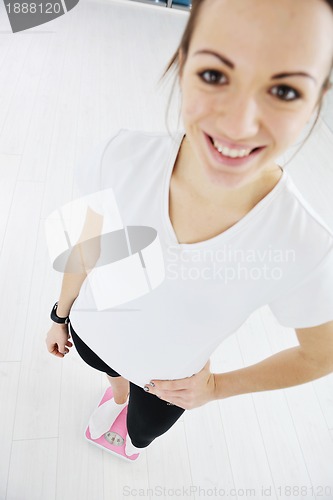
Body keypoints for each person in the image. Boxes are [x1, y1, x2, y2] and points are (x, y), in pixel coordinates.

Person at [46, 0, 333, 460]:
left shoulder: (304, 243)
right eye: (215, 76)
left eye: (283, 91)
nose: (238, 125)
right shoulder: (119, 158)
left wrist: (218, 387)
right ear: (182, 64)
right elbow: (87, 247)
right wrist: (60, 316)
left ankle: (130, 424)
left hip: (168, 383)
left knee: (141, 433)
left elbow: (321, 355)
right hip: (93, 332)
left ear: (317, 97)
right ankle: (117, 395)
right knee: (111, 377)